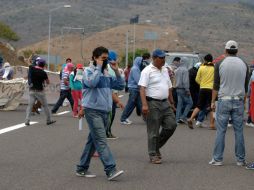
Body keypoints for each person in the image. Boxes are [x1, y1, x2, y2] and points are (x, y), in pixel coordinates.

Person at [76, 46, 124, 180]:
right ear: (94, 58)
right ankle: (111, 169)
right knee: (102, 141)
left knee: (93, 141)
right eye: (103, 59)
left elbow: (120, 86)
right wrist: (98, 67)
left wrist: (117, 72)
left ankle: (81, 168)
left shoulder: (107, 73)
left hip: (105, 111)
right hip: (92, 111)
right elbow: (92, 83)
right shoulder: (88, 71)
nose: (106, 61)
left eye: (107, 59)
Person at [209, 40, 249, 166]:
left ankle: (217, 159)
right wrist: (244, 102)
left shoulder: (220, 63)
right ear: (237, 50)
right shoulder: (244, 64)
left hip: (224, 99)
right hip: (238, 100)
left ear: (225, 50)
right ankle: (240, 160)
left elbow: (215, 85)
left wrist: (212, 102)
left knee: (221, 130)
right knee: (239, 131)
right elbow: (245, 86)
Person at [139, 49, 176, 164]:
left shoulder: (165, 70)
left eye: (164, 57)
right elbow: (142, 88)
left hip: (165, 103)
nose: (163, 60)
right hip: (152, 103)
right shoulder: (147, 71)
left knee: (171, 125)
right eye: (161, 58)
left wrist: (172, 102)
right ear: (154, 58)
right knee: (153, 131)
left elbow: (169, 87)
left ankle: (155, 147)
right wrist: (145, 105)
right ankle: (153, 154)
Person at [25, 58, 56, 126]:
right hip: (40, 91)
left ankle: (27, 120)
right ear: (43, 65)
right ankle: (48, 120)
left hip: (32, 90)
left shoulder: (32, 69)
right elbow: (48, 82)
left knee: (30, 106)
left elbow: (29, 64)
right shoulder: (43, 73)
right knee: (45, 106)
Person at [187, 54, 215, 129]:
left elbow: (197, 79)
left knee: (199, 106)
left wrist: (202, 83)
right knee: (211, 107)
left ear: (205, 60)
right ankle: (212, 124)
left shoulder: (201, 67)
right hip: (210, 89)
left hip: (202, 89)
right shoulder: (213, 68)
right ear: (212, 60)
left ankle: (190, 118)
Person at [106, 50, 124, 139]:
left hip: (111, 94)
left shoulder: (110, 67)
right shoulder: (109, 68)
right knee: (110, 115)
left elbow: (119, 85)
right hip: (110, 96)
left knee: (110, 116)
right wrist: (117, 100)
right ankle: (107, 132)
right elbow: (117, 86)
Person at [120, 56, 144, 125]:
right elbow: (138, 80)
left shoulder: (136, 68)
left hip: (136, 89)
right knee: (130, 105)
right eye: (141, 61)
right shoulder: (135, 69)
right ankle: (123, 118)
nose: (142, 63)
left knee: (139, 104)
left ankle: (148, 118)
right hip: (134, 89)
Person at [174, 57, 193, 124]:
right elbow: (185, 81)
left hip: (177, 89)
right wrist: (187, 90)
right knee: (190, 103)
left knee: (179, 104)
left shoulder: (177, 69)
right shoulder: (185, 70)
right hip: (183, 89)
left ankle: (177, 119)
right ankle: (183, 117)